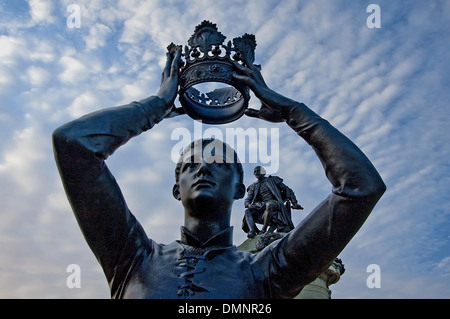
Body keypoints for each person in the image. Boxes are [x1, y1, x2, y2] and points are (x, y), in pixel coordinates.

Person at [52, 46, 386, 299]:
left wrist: (291, 111)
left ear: (241, 190)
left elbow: (360, 187)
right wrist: (156, 106)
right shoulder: (131, 257)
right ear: (175, 189)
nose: (204, 167)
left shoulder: (266, 271)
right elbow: (73, 144)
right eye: (190, 164)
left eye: (219, 162)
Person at [243, 165, 303, 238]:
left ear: (263, 172)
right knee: (247, 211)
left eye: (258, 171)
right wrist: (248, 205)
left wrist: (294, 202)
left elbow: (287, 189)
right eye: (254, 172)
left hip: (275, 203)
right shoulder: (253, 186)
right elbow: (248, 199)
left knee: (269, 204)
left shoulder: (273, 180)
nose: (256, 173)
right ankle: (252, 231)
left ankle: (264, 229)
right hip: (261, 206)